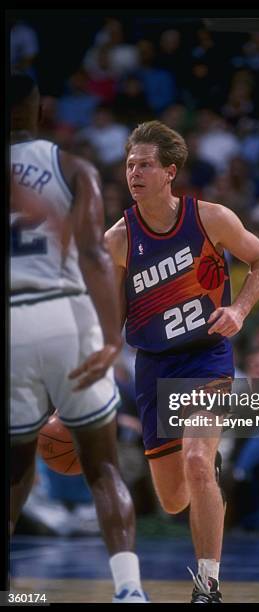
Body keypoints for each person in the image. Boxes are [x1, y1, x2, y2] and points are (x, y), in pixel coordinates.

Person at [105, 120, 259, 603]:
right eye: (130, 164)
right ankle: (206, 479)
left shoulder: (211, 219)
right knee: (173, 497)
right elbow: (108, 319)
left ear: (169, 172)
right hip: (153, 365)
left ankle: (208, 586)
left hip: (205, 357)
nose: (133, 172)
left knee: (199, 461)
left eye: (144, 165)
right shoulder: (117, 240)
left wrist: (239, 310)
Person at [9, 73, 148, 603]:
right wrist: (112, 338)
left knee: (15, 469)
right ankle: (129, 589)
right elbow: (93, 253)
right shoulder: (72, 167)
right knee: (103, 465)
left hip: (13, 322)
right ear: (39, 109)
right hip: (67, 316)